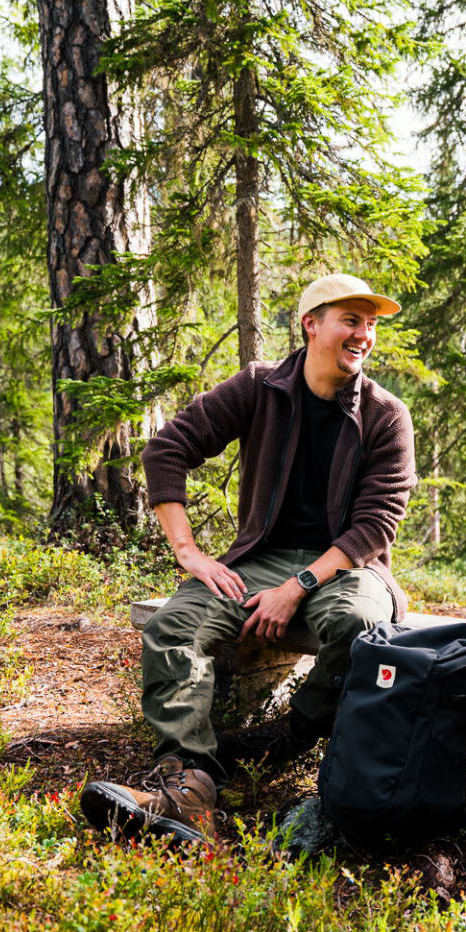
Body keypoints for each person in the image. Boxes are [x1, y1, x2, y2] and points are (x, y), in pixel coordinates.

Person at [80, 272, 417, 842]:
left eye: (371, 324)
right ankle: (188, 784)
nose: (363, 334)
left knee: (359, 626)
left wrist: (298, 587)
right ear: (311, 324)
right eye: (351, 320)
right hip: (261, 556)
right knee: (172, 626)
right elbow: (167, 448)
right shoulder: (261, 386)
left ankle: (288, 738)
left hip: (350, 567)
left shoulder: (386, 414)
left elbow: (377, 522)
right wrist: (190, 554)